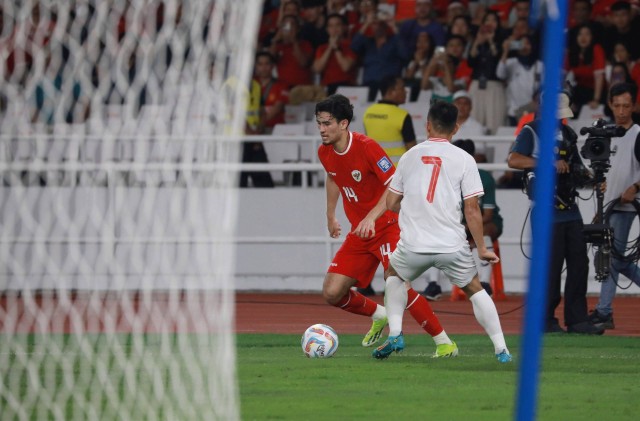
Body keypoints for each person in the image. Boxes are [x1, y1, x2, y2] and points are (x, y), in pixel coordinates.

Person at [315, 94, 459, 357]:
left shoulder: (367, 147)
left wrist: (372, 216)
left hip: (387, 226)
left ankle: (444, 342)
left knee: (398, 283)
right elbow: (333, 177)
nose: (322, 129)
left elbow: (395, 186)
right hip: (360, 232)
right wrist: (330, 215)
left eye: (327, 123)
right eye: (319, 124)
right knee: (332, 292)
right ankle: (380, 315)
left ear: (344, 123)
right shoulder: (324, 152)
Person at [372, 100, 511, 363]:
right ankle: (501, 349)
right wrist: (481, 247)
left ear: (427, 125)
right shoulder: (465, 159)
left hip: (413, 244)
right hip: (451, 244)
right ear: (455, 128)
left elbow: (390, 203)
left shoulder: (409, 156)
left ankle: (397, 334)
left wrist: (409, 200)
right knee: (475, 288)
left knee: (394, 275)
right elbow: (472, 209)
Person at [507, 92, 604, 334]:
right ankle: (546, 319)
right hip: (545, 210)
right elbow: (514, 160)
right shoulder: (531, 130)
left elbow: (577, 168)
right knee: (550, 267)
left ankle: (577, 319)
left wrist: (593, 180)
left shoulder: (568, 134)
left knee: (579, 264)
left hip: (571, 209)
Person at [589, 83, 640, 330]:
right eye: (617, 105)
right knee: (612, 258)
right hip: (608, 204)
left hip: (626, 207)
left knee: (611, 259)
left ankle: (603, 311)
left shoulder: (638, 134)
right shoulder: (606, 134)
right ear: (610, 104)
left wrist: (635, 188)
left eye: (626, 106)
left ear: (635, 106)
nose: (621, 111)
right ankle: (603, 310)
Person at [362, 76, 416, 165]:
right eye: (402, 88)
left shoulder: (368, 112)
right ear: (391, 91)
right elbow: (412, 150)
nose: (406, 91)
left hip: (376, 170)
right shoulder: (402, 115)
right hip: (397, 171)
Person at [312, 13, 358, 95]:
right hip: (327, 87)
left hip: (347, 86)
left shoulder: (352, 45)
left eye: (337, 25)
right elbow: (317, 69)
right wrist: (330, 47)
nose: (334, 29)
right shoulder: (322, 48)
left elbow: (346, 67)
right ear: (327, 29)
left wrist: (336, 48)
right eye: (331, 26)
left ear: (344, 27)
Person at [253, 51, 290, 132]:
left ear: (272, 66)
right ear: (255, 66)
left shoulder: (282, 85)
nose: (264, 67)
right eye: (260, 64)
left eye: (267, 64)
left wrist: (259, 127)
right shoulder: (249, 85)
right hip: (252, 129)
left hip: (275, 129)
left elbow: (277, 108)